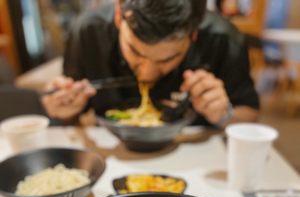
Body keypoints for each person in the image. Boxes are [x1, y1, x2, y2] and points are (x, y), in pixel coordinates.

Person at [42, 0, 259, 127]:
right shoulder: (88, 32)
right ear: (119, 16)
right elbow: (71, 118)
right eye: (135, 52)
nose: (146, 74)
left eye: (167, 59)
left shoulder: (223, 38)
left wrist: (224, 114)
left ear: (193, 34)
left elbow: (249, 113)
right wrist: (65, 108)